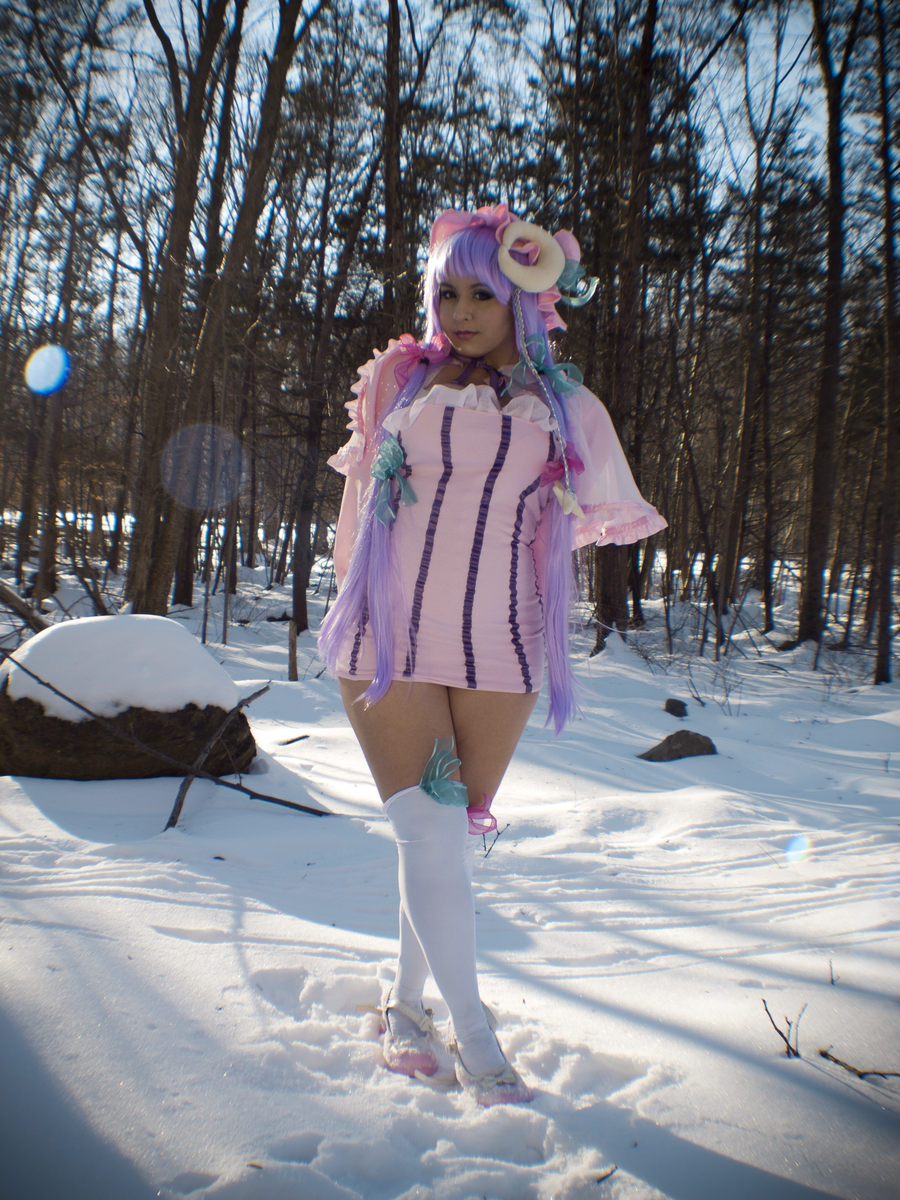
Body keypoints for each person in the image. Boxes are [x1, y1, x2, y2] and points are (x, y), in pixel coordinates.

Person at [320, 205, 666, 1106]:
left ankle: (406, 1008)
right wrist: (351, 599)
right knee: (429, 830)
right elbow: (358, 509)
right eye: (449, 293)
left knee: (440, 840)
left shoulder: (566, 406)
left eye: (482, 294)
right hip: (390, 637)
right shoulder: (400, 378)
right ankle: (477, 1041)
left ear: (524, 297)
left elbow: (572, 527)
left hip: (501, 648)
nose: (462, 312)